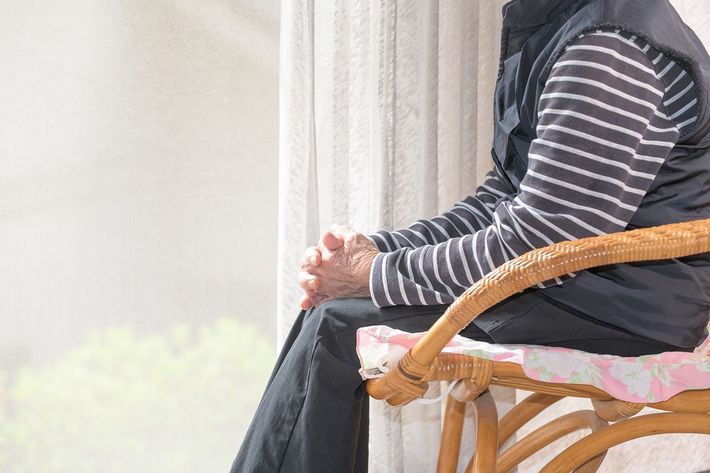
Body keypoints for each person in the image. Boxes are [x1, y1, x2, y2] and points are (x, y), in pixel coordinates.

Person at [230, 0, 710, 471]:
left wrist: (374, 274)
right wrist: (376, 253)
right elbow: (501, 201)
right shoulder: (558, 24)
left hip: (620, 308)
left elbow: (542, 241)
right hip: (584, 286)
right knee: (333, 315)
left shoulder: (607, 47)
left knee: (337, 327)